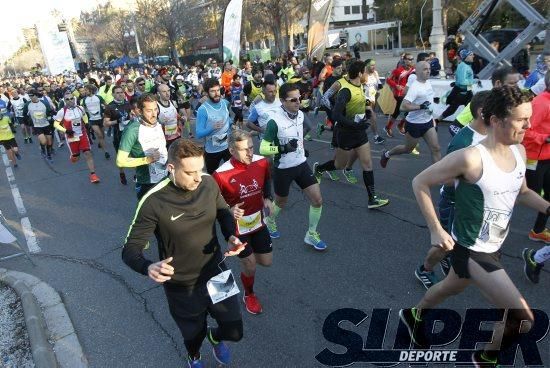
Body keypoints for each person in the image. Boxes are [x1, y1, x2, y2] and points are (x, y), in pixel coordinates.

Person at [402, 85, 543, 367]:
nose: (529, 125)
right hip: (471, 250)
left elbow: (523, 192)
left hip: (495, 246)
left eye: (529, 118)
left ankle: (414, 315)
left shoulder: (517, 149)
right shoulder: (471, 157)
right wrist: (436, 229)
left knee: (450, 287)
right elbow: (420, 182)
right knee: (522, 319)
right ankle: (485, 358)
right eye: (521, 119)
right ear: (495, 120)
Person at [122, 138, 245, 368]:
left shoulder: (207, 182)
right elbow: (130, 249)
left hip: (216, 271)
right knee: (193, 337)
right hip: (182, 284)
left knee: (235, 330)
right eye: (190, 173)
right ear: (171, 168)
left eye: (201, 169)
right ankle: (194, 356)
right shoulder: (153, 201)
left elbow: (223, 212)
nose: (198, 178)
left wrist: (231, 235)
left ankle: (215, 337)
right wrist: (147, 266)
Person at [414, 91, 491, 289]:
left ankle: (448, 258)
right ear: (483, 112)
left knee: (461, 243)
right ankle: (425, 269)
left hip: (473, 202)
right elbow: (445, 179)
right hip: (454, 202)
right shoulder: (464, 142)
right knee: (445, 244)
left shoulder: (492, 134)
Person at [259, 83, 327, 250]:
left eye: (300, 98)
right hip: (283, 168)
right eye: (293, 99)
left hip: (301, 164)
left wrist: (301, 147)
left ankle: (311, 234)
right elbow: (263, 148)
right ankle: (270, 220)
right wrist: (283, 148)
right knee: (281, 203)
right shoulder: (274, 120)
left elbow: (298, 135)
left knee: (317, 200)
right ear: (282, 101)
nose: (298, 102)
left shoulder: (301, 115)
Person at [313, 60, 389, 209]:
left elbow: (358, 101)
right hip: (346, 132)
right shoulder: (344, 89)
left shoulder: (358, 84)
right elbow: (334, 112)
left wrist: (364, 110)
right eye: (366, 72)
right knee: (339, 165)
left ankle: (372, 199)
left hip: (359, 131)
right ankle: (320, 169)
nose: (368, 74)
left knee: (367, 164)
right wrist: (349, 118)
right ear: (360, 73)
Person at [213, 130, 273, 315]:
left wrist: (268, 198)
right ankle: (249, 294)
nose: (249, 153)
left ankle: (248, 261)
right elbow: (212, 204)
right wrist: (228, 210)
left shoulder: (261, 162)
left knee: (266, 261)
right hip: (237, 228)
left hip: (258, 223)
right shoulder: (220, 175)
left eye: (251, 147)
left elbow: (267, 180)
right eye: (243, 150)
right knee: (250, 264)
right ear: (231, 150)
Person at [381, 61, 441, 167]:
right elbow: (403, 107)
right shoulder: (415, 87)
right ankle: (387, 154)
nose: (428, 71)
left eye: (429, 69)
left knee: (436, 148)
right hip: (414, 124)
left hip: (427, 122)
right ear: (417, 72)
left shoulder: (427, 82)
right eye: (425, 69)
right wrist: (421, 107)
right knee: (407, 149)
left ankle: (440, 177)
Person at [521, 71, 550, 284]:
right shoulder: (541, 103)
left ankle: (537, 231)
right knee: (525, 194)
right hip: (534, 157)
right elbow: (526, 131)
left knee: (547, 197)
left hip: (548, 156)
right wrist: (545, 137)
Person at [117, 93, 168, 200]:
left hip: (165, 177)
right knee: (149, 216)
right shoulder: (132, 130)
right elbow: (120, 161)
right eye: (149, 111)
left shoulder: (157, 123)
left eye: (155, 109)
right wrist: (147, 159)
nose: (154, 114)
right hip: (147, 183)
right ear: (140, 111)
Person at [448, 66, 520, 136]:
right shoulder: (482, 101)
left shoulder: (514, 100)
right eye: (512, 83)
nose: (516, 87)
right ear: (498, 83)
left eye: (517, 83)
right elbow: (454, 127)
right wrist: (469, 143)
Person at [53, 92, 100, 183]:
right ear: (64, 101)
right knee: (76, 158)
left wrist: (86, 123)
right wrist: (65, 131)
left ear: (74, 99)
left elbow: (84, 116)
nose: (70, 100)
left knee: (87, 153)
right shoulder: (62, 111)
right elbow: (55, 124)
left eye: (71, 98)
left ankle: (93, 175)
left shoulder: (80, 108)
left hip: (82, 134)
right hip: (71, 137)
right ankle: (74, 155)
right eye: (67, 99)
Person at [196, 78, 232, 174]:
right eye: (212, 91)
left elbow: (228, 118)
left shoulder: (225, 103)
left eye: (217, 90)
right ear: (207, 93)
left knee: (231, 173)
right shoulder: (203, 110)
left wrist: (231, 123)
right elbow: (199, 133)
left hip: (227, 147)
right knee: (213, 177)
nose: (216, 93)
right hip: (212, 151)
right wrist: (211, 128)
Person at [104, 85, 132, 185]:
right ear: (113, 94)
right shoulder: (110, 107)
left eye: (121, 92)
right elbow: (106, 123)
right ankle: (122, 173)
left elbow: (133, 115)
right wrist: (117, 121)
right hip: (118, 135)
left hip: (130, 134)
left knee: (135, 153)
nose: (120, 94)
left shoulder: (128, 104)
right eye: (117, 93)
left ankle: (137, 174)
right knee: (121, 157)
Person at [438, 49, 475, 122]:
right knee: (453, 109)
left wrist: (470, 88)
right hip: (461, 92)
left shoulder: (466, 65)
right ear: (465, 57)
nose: (473, 56)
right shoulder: (463, 66)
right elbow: (462, 81)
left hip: (465, 91)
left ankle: (473, 124)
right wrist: (474, 81)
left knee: (471, 108)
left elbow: (461, 80)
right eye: (471, 55)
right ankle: (437, 120)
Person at [384, 53, 415, 137]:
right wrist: (396, 86)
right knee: (402, 111)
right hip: (399, 94)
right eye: (408, 59)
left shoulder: (414, 69)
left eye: (412, 59)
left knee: (403, 111)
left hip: (410, 93)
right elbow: (388, 80)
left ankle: (396, 125)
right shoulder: (397, 70)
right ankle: (395, 126)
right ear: (404, 60)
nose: (410, 61)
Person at [23, 89, 54, 162]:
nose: (30, 97)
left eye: (32, 96)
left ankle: (49, 155)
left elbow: (50, 112)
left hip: (46, 125)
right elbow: (24, 114)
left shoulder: (44, 103)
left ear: (36, 95)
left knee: (49, 141)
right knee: (43, 142)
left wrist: (50, 118)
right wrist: (29, 122)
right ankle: (43, 149)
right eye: (29, 96)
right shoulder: (27, 104)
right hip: (37, 126)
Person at [82, 84, 109, 159]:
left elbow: (106, 105)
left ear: (90, 90)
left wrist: (106, 113)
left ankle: (100, 142)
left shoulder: (98, 97)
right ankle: (106, 152)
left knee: (103, 135)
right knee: (99, 135)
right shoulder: (84, 100)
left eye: (86, 90)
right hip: (92, 120)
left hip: (101, 118)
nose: (85, 91)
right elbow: (83, 110)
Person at [157, 84, 182, 148]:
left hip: (177, 136)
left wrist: (181, 118)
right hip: (165, 140)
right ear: (158, 93)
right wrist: (160, 122)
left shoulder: (173, 102)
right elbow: (152, 123)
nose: (167, 94)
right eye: (164, 92)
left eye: (168, 91)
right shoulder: (156, 106)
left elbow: (176, 115)